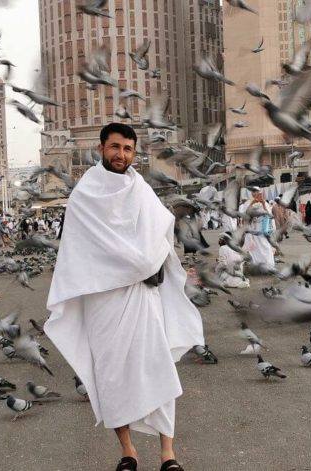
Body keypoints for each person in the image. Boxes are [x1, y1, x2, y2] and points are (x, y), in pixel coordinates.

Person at [45, 123, 203, 471]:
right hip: (104, 296)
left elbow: (160, 233)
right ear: (101, 149)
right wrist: (136, 263)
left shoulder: (141, 189)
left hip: (142, 293)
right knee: (112, 375)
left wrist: (151, 262)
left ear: (135, 153)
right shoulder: (84, 195)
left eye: (128, 149)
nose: (121, 155)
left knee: (155, 366)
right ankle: (128, 452)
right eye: (115, 147)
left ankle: (168, 456)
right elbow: (84, 248)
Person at [242, 188, 275, 269]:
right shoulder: (248, 203)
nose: (254, 193)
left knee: (265, 245)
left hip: (262, 227)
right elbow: (245, 215)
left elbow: (269, 215)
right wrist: (252, 203)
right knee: (254, 248)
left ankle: (268, 265)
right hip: (253, 227)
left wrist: (263, 203)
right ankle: (256, 265)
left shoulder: (265, 203)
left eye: (256, 192)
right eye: (252, 192)